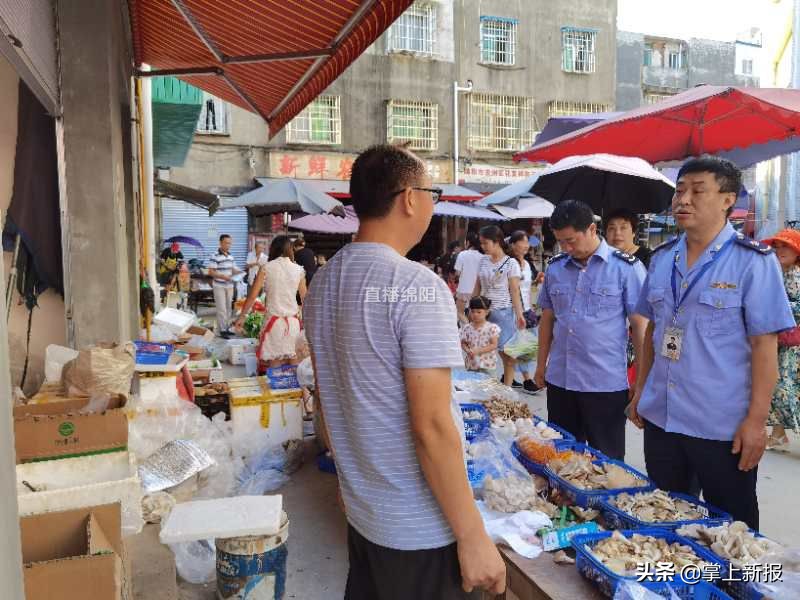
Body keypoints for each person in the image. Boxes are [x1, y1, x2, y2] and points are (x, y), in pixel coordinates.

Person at [304, 144, 505, 600]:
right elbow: (432, 426)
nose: (433, 204)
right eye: (431, 192)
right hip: (420, 531)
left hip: (366, 516)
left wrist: (345, 478)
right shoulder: (415, 285)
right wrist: (473, 536)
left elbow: (326, 396)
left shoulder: (323, 282)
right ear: (410, 198)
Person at [629, 156, 794, 529]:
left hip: (721, 427)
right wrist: (641, 388)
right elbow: (654, 331)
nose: (683, 200)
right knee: (664, 520)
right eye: (680, 190)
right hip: (663, 418)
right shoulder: (661, 258)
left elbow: (764, 347)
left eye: (697, 191)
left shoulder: (753, 263)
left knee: (732, 532)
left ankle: (733, 587)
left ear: (727, 200)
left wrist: (756, 422)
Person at [534, 200, 647, 460]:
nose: (567, 247)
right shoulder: (556, 268)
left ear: (592, 230)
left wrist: (640, 382)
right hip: (561, 379)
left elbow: (641, 328)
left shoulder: (626, 268)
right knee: (561, 456)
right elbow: (548, 320)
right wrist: (541, 365)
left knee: (606, 461)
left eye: (572, 240)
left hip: (604, 384)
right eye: (561, 242)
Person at [235, 235, 307, 371]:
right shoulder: (298, 270)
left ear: (273, 249)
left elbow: (252, 296)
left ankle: (279, 391)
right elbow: (305, 299)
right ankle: (300, 392)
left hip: (274, 325)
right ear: (290, 250)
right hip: (293, 324)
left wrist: (242, 316)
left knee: (276, 368)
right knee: (295, 365)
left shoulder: (266, 268)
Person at [760, 228, 800, 450]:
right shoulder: (775, 272)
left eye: (786, 246)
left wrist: (780, 305)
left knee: (783, 387)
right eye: (777, 246)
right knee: (777, 385)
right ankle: (778, 433)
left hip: (793, 344)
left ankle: (779, 433)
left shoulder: (795, 274)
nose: (780, 250)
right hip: (781, 340)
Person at [472, 225, 526, 387]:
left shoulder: (511, 263)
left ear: (497, 242)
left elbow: (514, 291)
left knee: (508, 354)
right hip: (483, 314)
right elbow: (477, 286)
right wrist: (472, 308)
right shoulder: (482, 261)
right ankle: (484, 387)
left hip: (503, 313)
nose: (482, 247)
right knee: (483, 353)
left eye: (485, 243)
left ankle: (507, 389)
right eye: (481, 243)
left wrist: (520, 315)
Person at [508, 231, 542, 393]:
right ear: (513, 245)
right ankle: (527, 379)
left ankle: (511, 376)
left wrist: (537, 280)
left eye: (527, 242)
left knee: (528, 344)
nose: (526, 245)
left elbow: (527, 287)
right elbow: (513, 289)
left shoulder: (527, 264)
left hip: (528, 309)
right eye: (523, 241)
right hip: (515, 310)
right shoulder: (509, 263)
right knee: (521, 344)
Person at [208, 234, 243, 337]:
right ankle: (222, 330)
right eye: (226, 243)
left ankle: (225, 328)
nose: (228, 245)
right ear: (220, 243)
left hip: (230, 286)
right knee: (221, 308)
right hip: (219, 286)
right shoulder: (215, 255)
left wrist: (240, 272)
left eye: (230, 243)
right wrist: (223, 276)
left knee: (228, 308)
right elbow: (211, 272)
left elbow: (233, 269)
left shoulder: (231, 256)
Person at [460, 296, 500, 376]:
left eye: (479, 312)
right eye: (473, 311)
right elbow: (463, 343)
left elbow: (494, 344)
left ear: (487, 312)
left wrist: (479, 351)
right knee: (472, 385)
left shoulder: (491, 328)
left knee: (488, 386)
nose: (475, 314)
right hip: (472, 364)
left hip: (488, 364)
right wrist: (468, 350)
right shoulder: (467, 328)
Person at [454, 233, 484, 325]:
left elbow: (457, 273)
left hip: (463, 289)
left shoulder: (462, 254)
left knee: (459, 312)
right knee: (473, 314)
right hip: (477, 290)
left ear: (468, 242)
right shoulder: (482, 257)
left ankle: (468, 327)